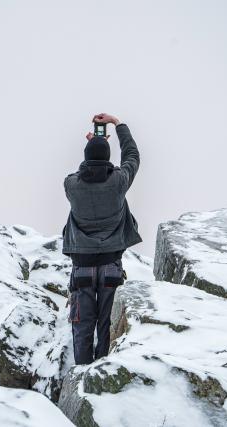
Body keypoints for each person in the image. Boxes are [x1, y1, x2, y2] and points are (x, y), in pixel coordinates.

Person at [61, 112, 142, 365]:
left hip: (82, 267)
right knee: (106, 323)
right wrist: (118, 125)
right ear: (108, 159)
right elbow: (132, 156)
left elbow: (84, 173)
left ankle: (82, 374)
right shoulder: (118, 181)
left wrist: (94, 147)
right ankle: (103, 371)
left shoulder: (71, 185)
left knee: (82, 324)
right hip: (111, 265)